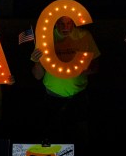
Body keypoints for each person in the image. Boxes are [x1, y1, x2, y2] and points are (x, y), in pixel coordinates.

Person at [29, 16, 100, 146]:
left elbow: (96, 66)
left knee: (80, 138)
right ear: (55, 23)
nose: (65, 27)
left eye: (68, 23)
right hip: (52, 97)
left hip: (79, 96)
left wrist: (89, 70)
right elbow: (38, 76)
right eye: (61, 23)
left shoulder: (84, 35)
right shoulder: (46, 38)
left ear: (74, 22)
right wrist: (37, 61)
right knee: (53, 139)